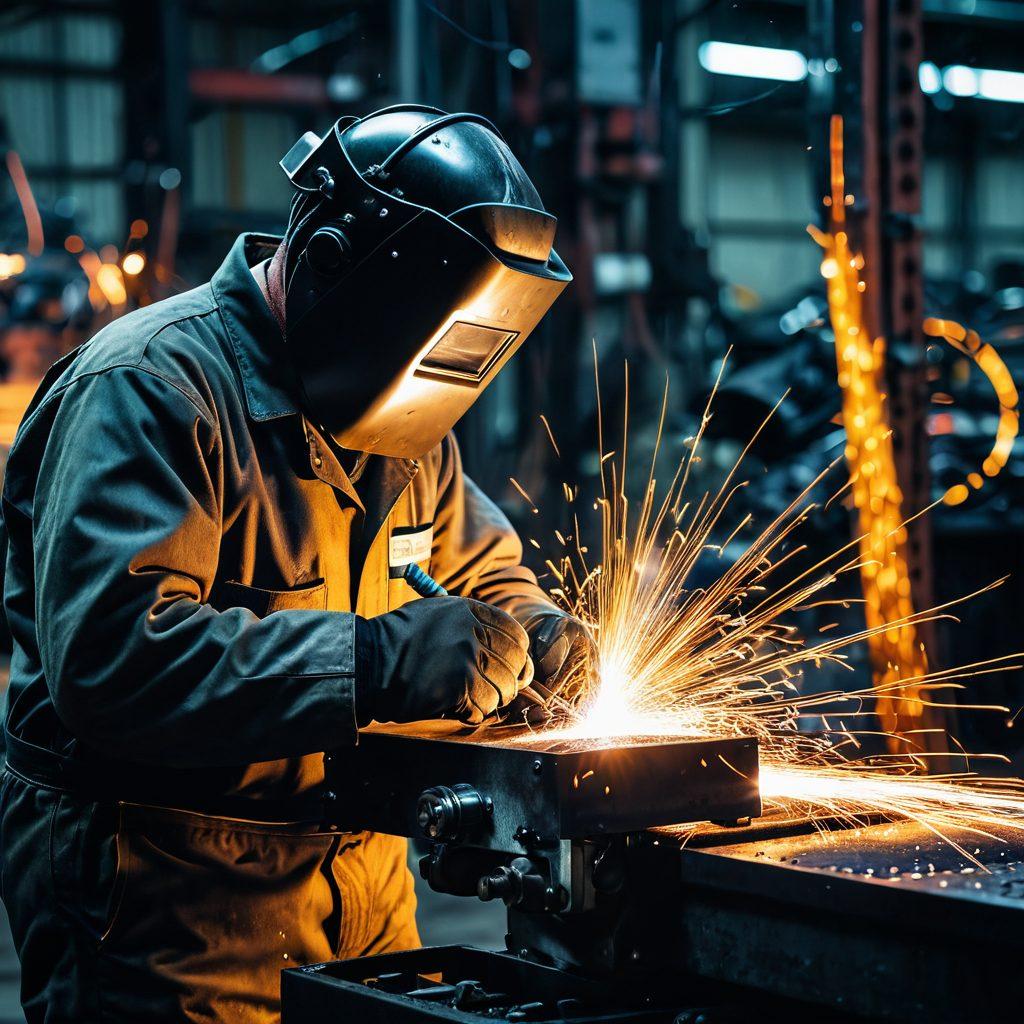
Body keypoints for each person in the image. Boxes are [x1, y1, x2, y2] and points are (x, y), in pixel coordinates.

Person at [0, 105, 591, 1023]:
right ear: (333, 267)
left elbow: (481, 576)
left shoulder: (402, 414)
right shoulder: (151, 389)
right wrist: (384, 662)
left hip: (359, 880)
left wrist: (538, 634)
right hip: (167, 900)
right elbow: (115, 661)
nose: (430, 378)